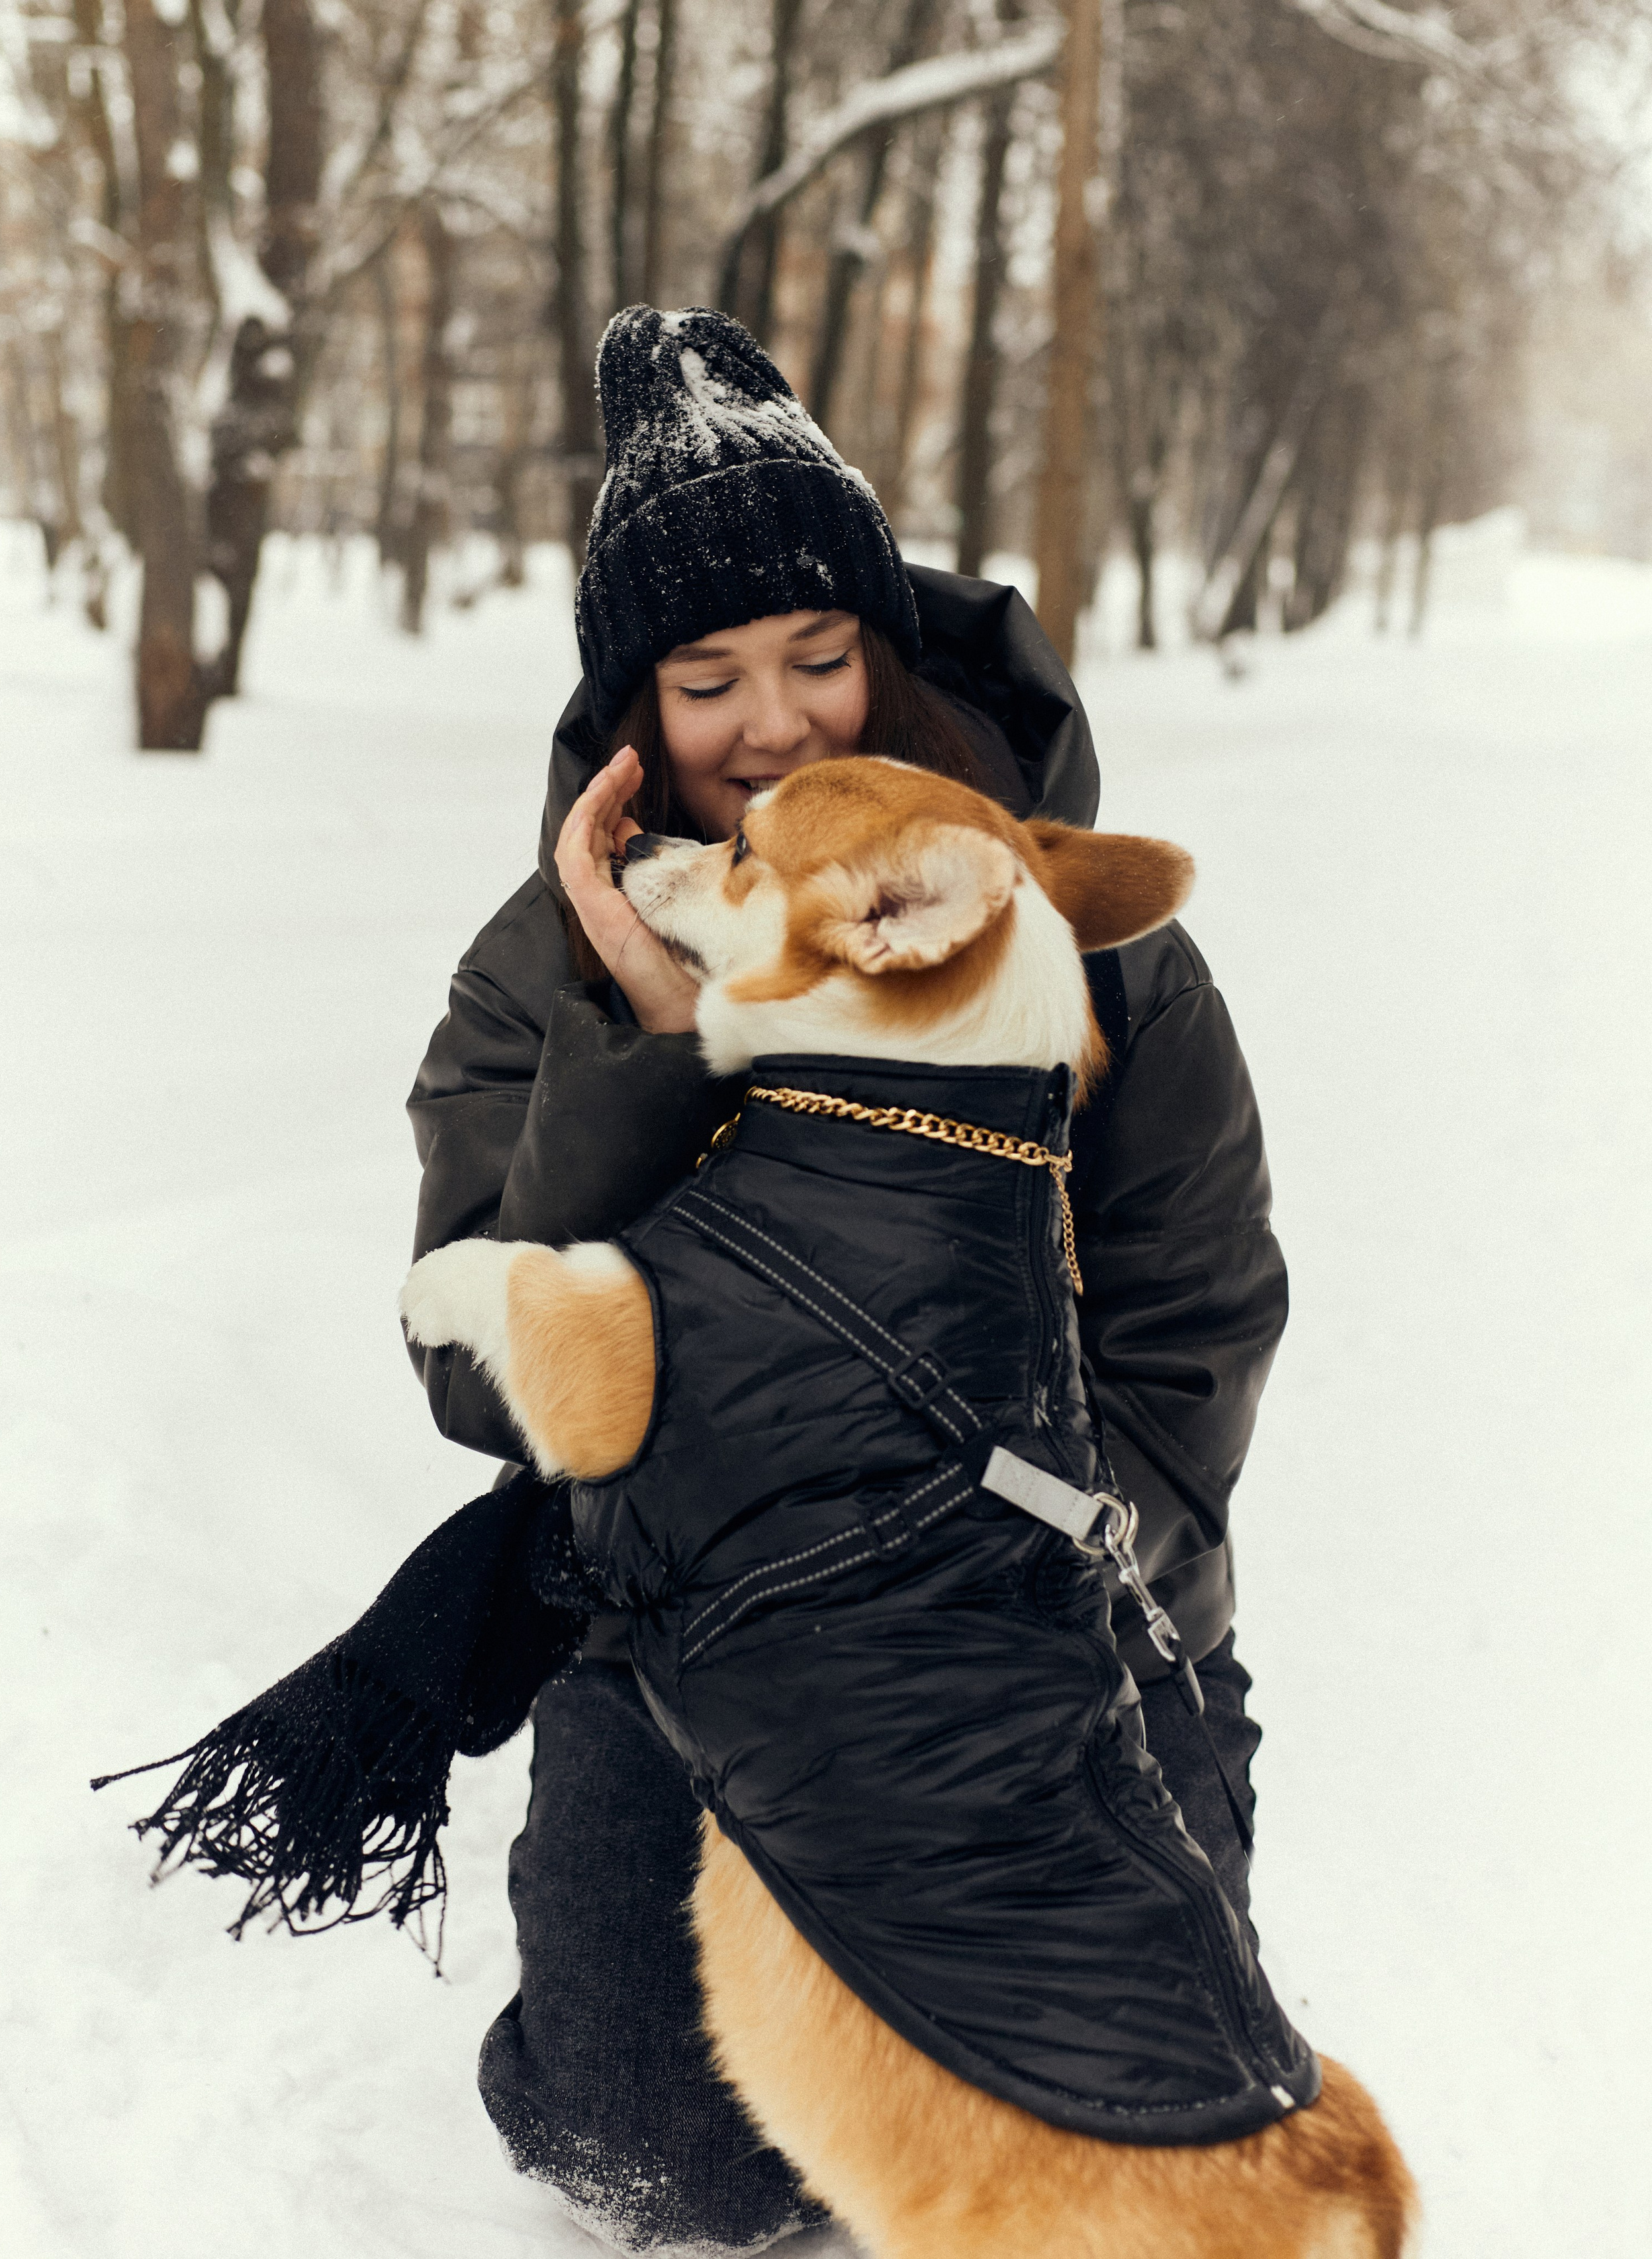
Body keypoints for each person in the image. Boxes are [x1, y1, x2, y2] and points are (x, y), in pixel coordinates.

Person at [406, 306, 1287, 2255]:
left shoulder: (1065, 927)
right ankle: (619, 1992)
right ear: (639, 714)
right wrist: (638, 1047)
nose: (778, 720)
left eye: (819, 656)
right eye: (710, 679)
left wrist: (1027, 1592)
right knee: (669, 2162)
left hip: (1055, 1609)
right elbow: (485, 1368)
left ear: (884, 652)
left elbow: (1194, 1314)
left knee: (1100, 2146)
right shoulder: (539, 968)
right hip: (695, 1638)